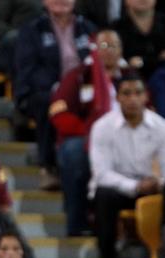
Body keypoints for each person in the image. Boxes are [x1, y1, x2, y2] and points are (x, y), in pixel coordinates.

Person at [89, 72, 165, 258]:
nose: (132, 99)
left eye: (137, 93)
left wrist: (157, 183)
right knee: (103, 195)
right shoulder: (102, 127)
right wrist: (136, 186)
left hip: (153, 187)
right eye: (126, 93)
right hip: (119, 189)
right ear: (117, 97)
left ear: (146, 96)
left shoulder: (161, 127)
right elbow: (102, 173)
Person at [49, 29, 130, 237]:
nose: (108, 51)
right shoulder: (78, 76)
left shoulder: (131, 77)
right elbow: (59, 112)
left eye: (113, 46)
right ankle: (77, 222)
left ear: (121, 50)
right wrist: (89, 132)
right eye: (103, 46)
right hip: (88, 138)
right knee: (74, 152)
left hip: (128, 137)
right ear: (93, 50)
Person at [14, 0, 95, 190]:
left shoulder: (88, 27)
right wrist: (58, 89)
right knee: (48, 103)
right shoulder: (32, 29)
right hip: (45, 91)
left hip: (81, 92)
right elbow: (27, 70)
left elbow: (95, 64)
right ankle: (48, 166)